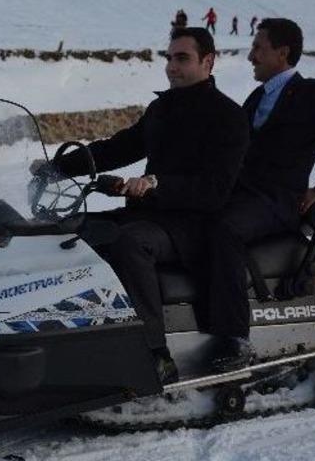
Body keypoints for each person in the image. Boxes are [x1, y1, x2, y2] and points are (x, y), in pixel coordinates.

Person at [36, 28, 250, 384]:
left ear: (208, 62)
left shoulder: (228, 117)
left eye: (182, 58)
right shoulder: (162, 108)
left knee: (129, 243)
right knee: (73, 230)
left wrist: (155, 183)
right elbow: (117, 148)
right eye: (168, 58)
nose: (171, 66)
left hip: (192, 227)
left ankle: (153, 354)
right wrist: (57, 167)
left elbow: (214, 190)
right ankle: (67, 337)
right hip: (150, 215)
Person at [203, 18, 315, 372]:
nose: (251, 56)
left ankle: (235, 338)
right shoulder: (256, 98)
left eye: (258, 48)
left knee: (226, 230)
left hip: (280, 202)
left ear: (282, 53)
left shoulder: (314, 94)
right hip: (244, 195)